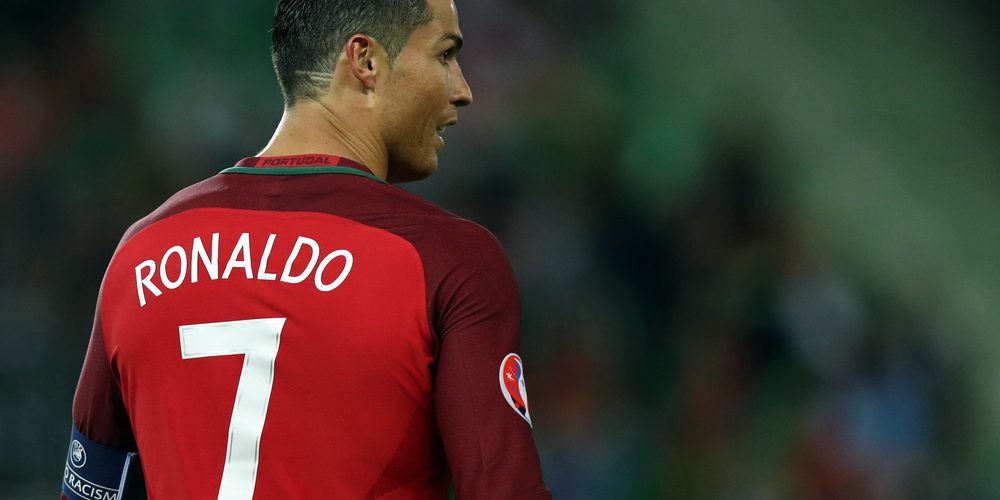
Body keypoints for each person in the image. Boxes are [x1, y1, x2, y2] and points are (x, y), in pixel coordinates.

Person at [60, 0, 551, 498]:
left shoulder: (141, 253)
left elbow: (90, 487)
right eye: (445, 55)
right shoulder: (444, 259)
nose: (462, 90)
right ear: (365, 60)